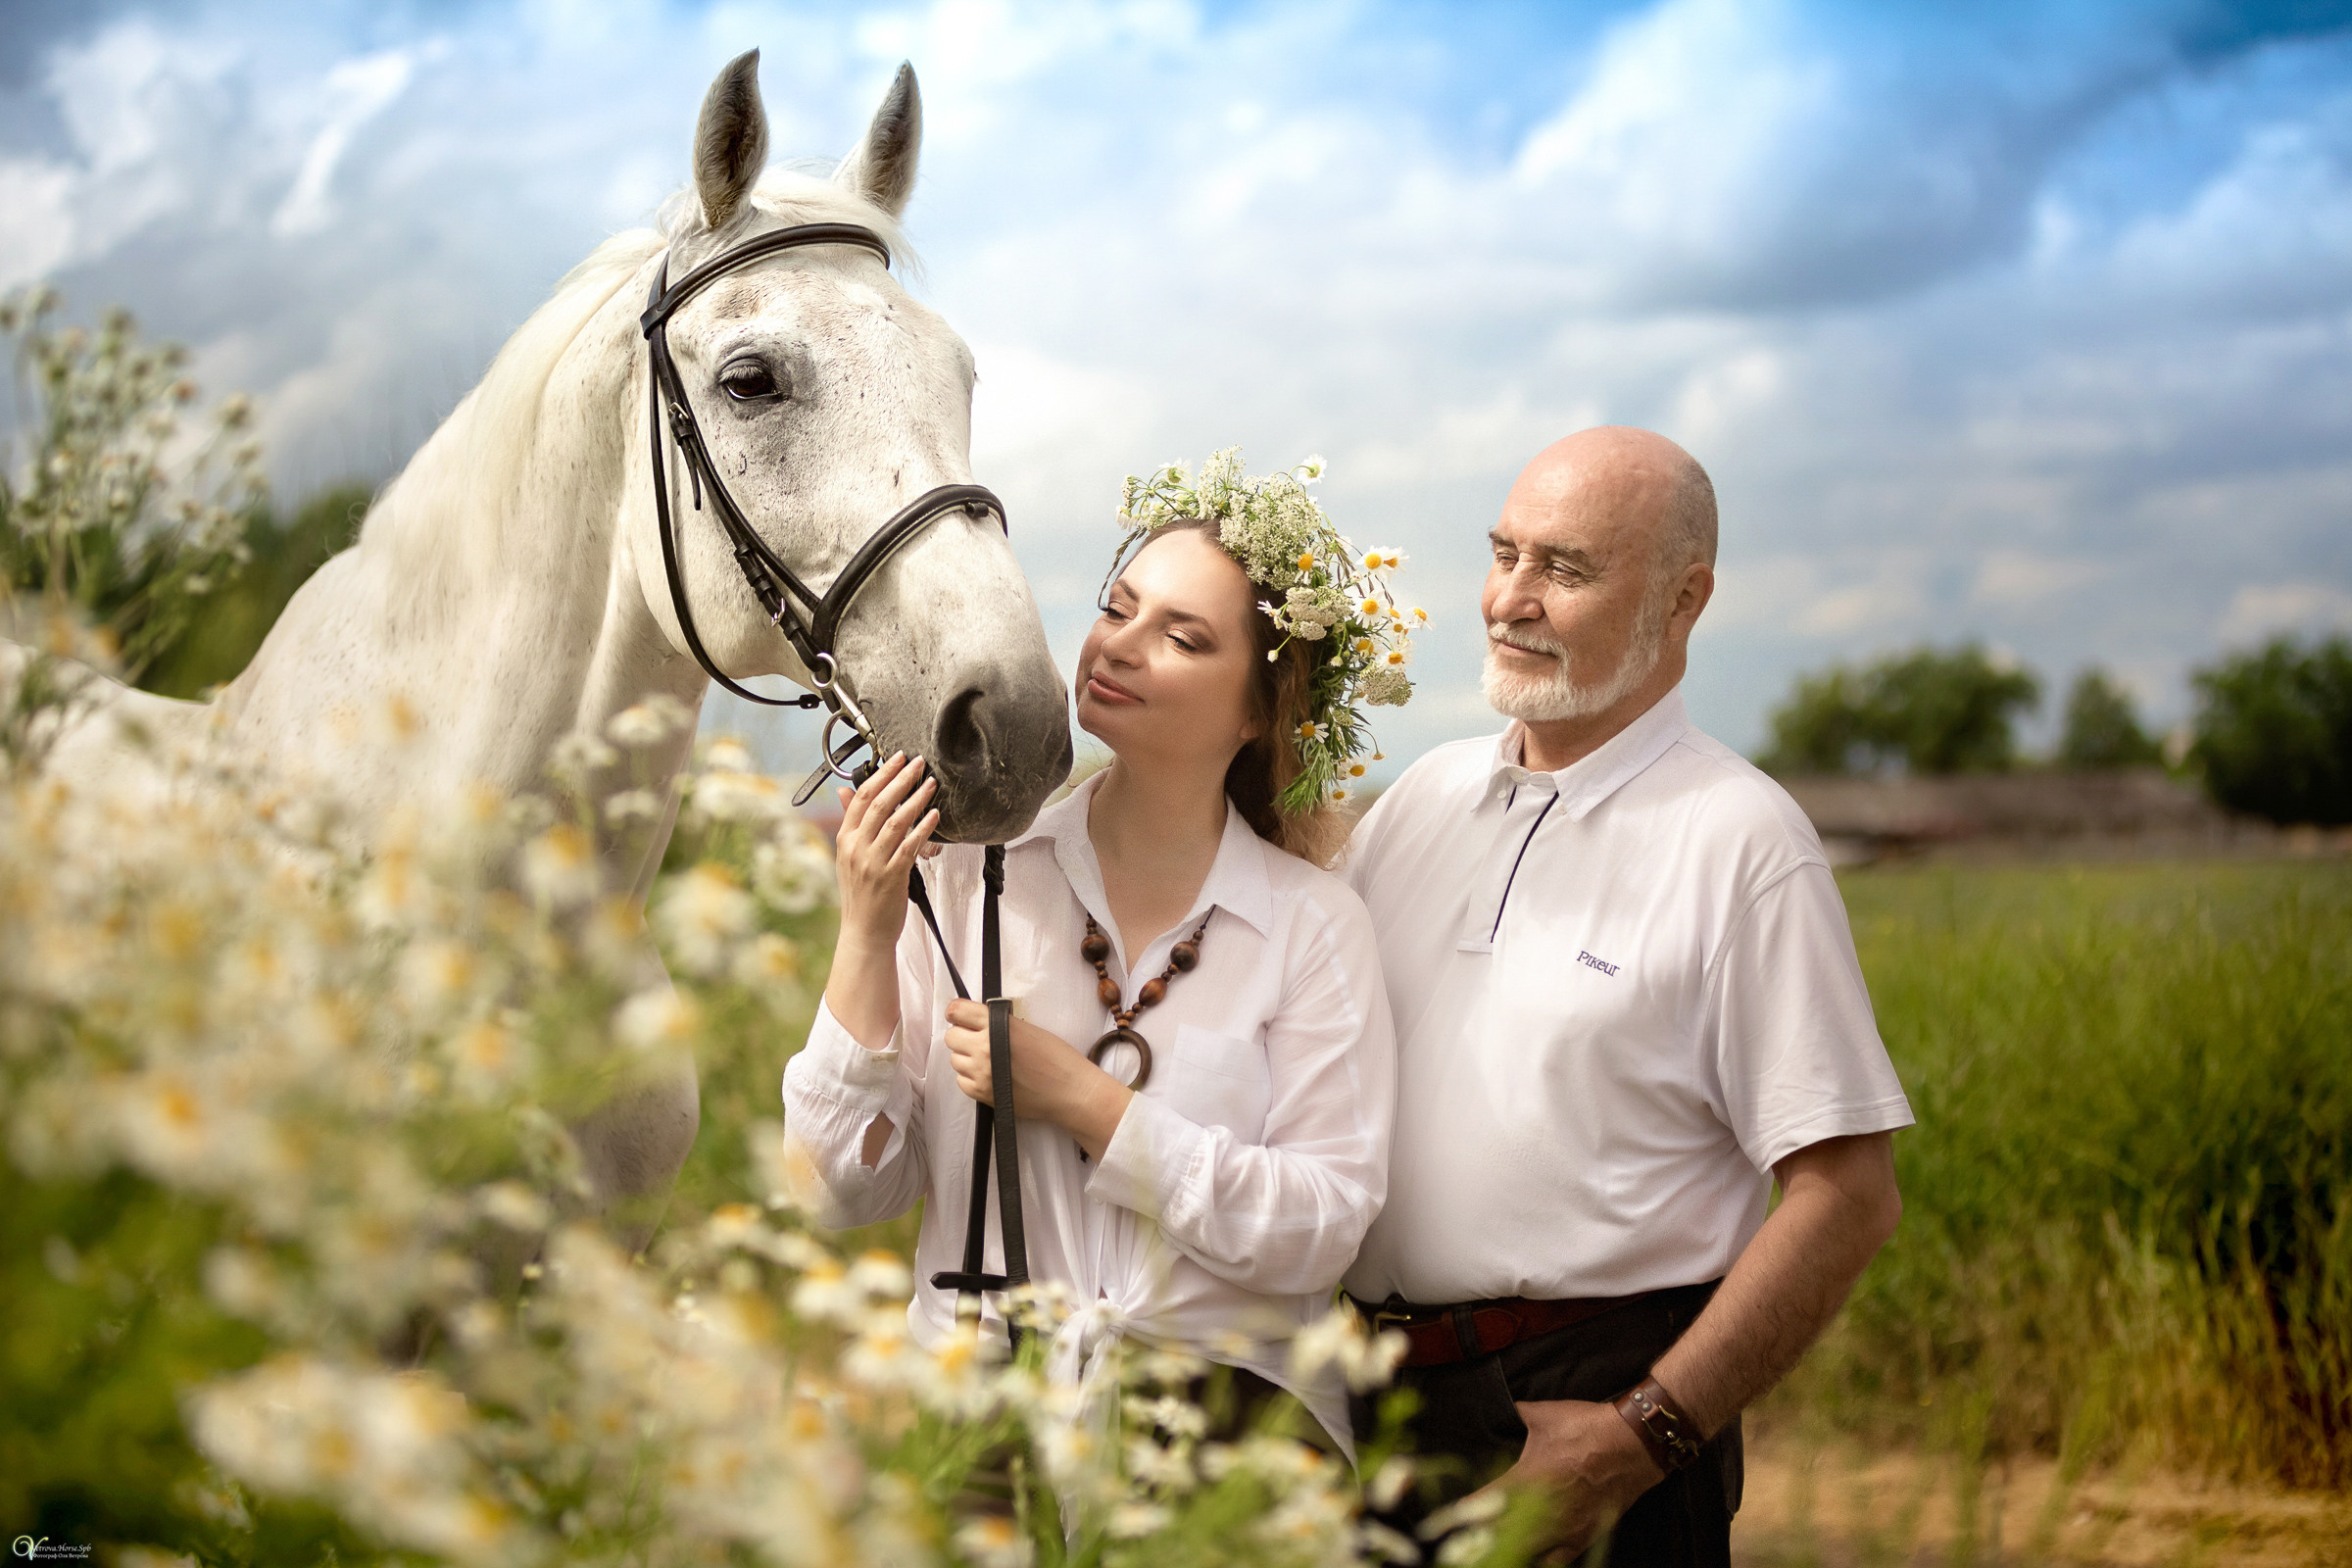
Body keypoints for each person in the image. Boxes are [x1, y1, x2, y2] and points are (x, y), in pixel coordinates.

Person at [1341, 427, 1912, 1567]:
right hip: (1365, 1404)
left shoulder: (1743, 841)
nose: (1512, 597)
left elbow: (1847, 1193)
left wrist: (1646, 1433)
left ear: (1684, 598)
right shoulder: (1420, 801)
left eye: (1566, 568)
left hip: (1582, 1409)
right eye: (1504, 552)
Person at [783, 450, 1409, 1463]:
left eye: (1183, 637)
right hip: (985, 1434)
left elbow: (1322, 1225)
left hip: (1226, 1446)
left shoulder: (1312, 928)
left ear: (1258, 711)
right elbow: (836, 1190)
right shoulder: (968, 879)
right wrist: (867, 927)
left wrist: (1086, 1100)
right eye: (1118, 609)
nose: (1120, 647)